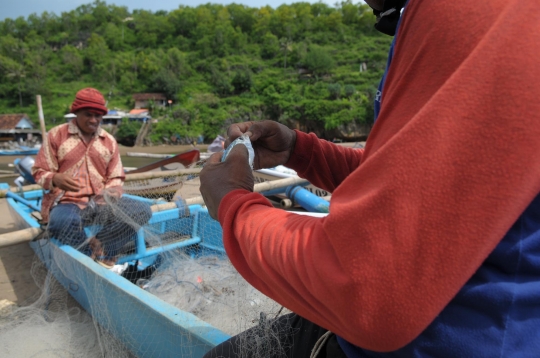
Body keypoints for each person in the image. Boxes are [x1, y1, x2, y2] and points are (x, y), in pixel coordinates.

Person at [199, 0, 540, 357]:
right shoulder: (425, 15)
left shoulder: (459, 12)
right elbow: (426, 183)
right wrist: (302, 153)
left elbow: (370, 292)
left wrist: (233, 203)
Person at [32, 88, 152, 268]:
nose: (94, 120)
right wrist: (55, 178)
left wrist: (112, 190)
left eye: (98, 115)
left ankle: (102, 246)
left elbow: (116, 175)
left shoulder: (108, 140)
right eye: (88, 114)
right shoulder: (56, 135)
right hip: (68, 202)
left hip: (101, 202)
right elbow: (39, 171)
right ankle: (87, 256)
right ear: (76, 112)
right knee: (60, 223)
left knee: (141, 210)